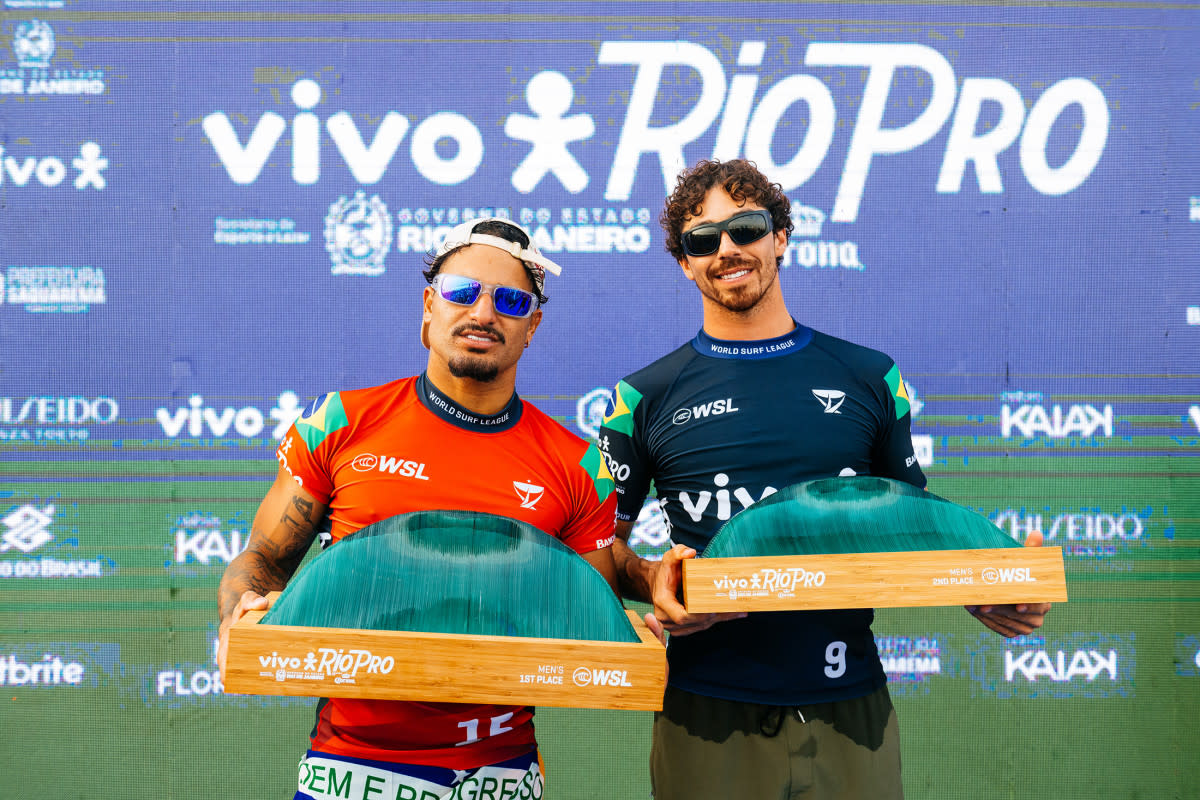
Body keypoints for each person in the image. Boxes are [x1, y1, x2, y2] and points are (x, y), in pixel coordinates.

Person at [598, 159, 1051, 800]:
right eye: (702, 240)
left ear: (780, 236)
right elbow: (600, 551)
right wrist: (655, 581)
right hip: (704, 711)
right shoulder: (638, 398)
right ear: (684, 263)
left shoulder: (871, 377)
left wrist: (987, 583)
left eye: (746, 228)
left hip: (851, 705)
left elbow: (914, 527)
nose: (727, 250)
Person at [217, 217, 620, 800]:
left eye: (510, 300)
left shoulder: (580, 465)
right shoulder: (341, 424)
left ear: (532, 325)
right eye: (462, 292)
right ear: (429, 306)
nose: (484, 312)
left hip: (500, 774)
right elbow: (263, 559)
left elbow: (588, 623)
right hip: (349, 770)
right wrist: (239, 613)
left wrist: (641, 620)